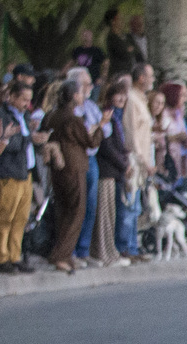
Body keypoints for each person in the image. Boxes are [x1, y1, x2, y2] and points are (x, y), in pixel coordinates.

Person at [44, 80, 107, 274]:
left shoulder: (52, 116)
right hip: (74, 167)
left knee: (63, 209)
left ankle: (65, 253)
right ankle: (61, 255)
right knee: (77, 210)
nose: (83, 97)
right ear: (73, 96)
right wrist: (101, 125)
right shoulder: (73, 119)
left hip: (58, 168)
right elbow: (89, 142)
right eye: (80, 93)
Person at [0, 83, 37, 273]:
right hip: (9, 173)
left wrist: (32, 135)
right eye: (23, 99)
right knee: (5, 216)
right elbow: (8, 144)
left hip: (25, 172)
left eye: (29, 100)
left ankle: (15, 255)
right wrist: (28, 137)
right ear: (12, 97)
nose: (26, 104)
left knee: (21, 218)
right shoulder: (3, 115)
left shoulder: (25, 116)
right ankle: (1, 256)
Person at [65, 67, 102, 265]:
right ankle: (68, 251)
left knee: (90, 206)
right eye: (85, 84)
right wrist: (94, 129)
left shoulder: (91, 106)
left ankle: (83, 250)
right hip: (75, 160)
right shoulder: (67, 109)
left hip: (92, 159)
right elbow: (85, 133)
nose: (90, 87)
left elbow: (106, 127)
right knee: (74, 206)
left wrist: (96, 128)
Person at [119, 62, 154, 262]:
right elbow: (131, 132)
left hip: (143, 160)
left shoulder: (141, 99)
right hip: (134, 158)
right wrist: (141, 160)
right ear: (141, 78)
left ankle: (133, 245)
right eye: (150, 76)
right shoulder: (132, 99)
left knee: (136, 206)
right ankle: (125, 246)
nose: (152, 80)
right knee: (130, 204)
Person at [94, 81, 131, 268]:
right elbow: (106, 145)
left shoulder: (119, 117)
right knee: (104, 214)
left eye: (124, 95)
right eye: (118, 94)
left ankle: (111, 250)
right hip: (106, 170)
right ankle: (103, 252)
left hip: (115, 170)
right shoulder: (107, 115)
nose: (122, 98)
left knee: (112, 213)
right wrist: (124, 163)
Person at [160, 82, 187, 180]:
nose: (184, 99)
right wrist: (175, 137)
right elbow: (160, 134)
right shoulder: (163, 114)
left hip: (180, 157)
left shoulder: (179, 114)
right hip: (167, 157)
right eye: (181, 95)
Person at [104, 9, 141, 78]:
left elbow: (137, 50)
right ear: (113, 22)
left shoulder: (128, 36)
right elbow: (123, 52)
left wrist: (130, 49)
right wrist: (129, 49)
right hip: (119, 74)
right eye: (119, 18)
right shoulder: (111, 38)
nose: (122, 21)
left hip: (132, 72)